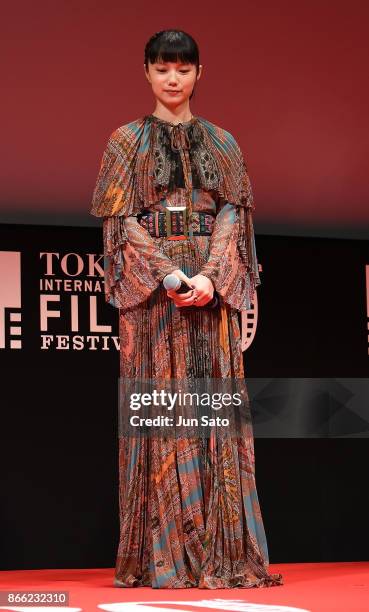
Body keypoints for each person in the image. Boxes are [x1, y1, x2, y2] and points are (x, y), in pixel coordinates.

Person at [90, 29, 283, 589]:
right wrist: (169, 275)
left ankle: (224, 551)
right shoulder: (124, 142)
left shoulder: (223, 143)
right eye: (162, 68)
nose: (172, 79)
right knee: (159, 416)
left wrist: (210, 278)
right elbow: (119, 221)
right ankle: (162, 556)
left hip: (210, 290)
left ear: (200, 73)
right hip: (154, 301)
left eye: (182, 68)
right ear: (146, 72)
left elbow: (232, 216)